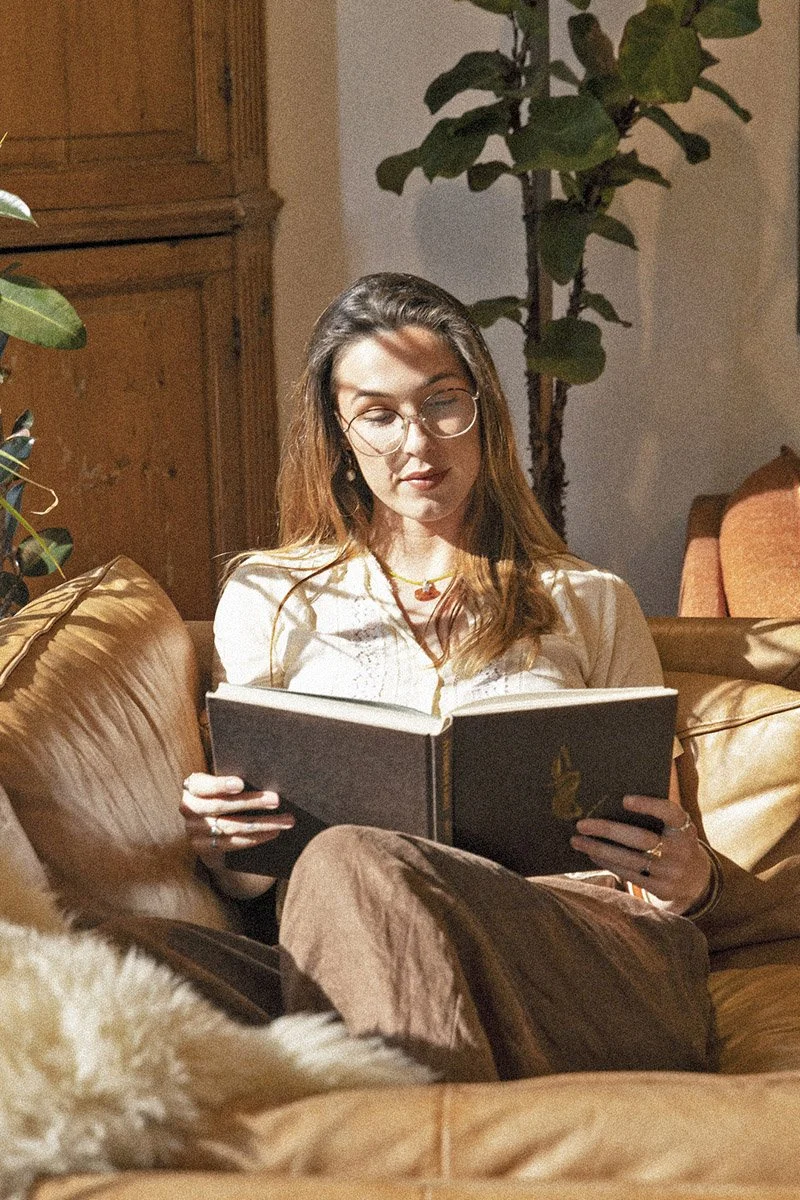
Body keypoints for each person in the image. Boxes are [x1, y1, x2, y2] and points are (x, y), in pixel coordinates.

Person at [180, 272, 721, 1082]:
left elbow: (665, 845)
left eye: (441, 403)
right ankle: (436, 1127)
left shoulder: (589, 600)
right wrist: (227, 845)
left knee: (346, 859)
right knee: (121, 946)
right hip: (361, 941)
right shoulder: (268, 597)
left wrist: (689, 876)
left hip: (577, 950)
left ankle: (391, 1134)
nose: (417, 443)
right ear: (339, 435)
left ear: (483, 413)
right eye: (379, 415)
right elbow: (252, 870)